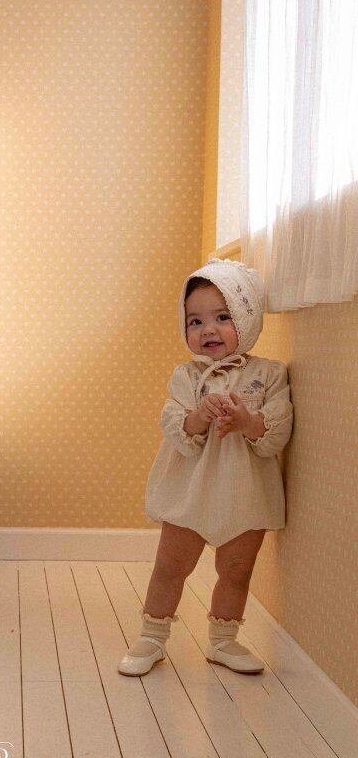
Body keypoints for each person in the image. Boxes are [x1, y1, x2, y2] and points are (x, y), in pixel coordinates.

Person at [118, 258, 293, 676]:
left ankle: (224, 641)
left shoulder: (270, 374)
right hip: (190, 489)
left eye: (222, 317)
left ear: (248, 318)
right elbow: (174, 426)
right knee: (170, 567)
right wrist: (200, 415)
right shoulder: (186, 376)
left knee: (237, 570)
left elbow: (277, 432)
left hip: (245, 490)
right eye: (195, 321)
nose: (207, 329)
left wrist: (246, 421)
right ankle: (152, 637)